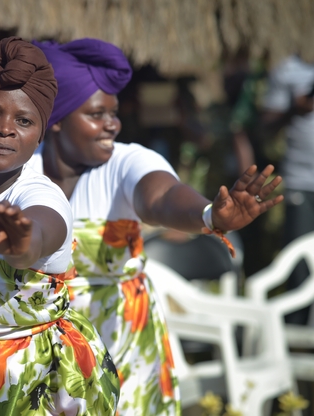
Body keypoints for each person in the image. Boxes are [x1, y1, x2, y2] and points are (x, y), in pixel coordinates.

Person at [30, 38, 284, 415]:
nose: (111, 125)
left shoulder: (125, 162)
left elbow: (162, 198)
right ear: (57, 120)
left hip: (122, 344)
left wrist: (209, 215)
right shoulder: (23, 172)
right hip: (44, 346)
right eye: (96, 114)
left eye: (113, 113)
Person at [0, 37, 120, 415]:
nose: (5, 129)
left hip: (29, 384)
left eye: (24, 120)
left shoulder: (41, 198)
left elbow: (44, 230)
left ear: (40, 132)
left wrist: (23, 244)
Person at [262, 55, 314, 325]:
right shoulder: (287, 69)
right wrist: (296, 109)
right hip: (300, 183)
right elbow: (266, 125)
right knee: (299, 266)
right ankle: (296, 336)